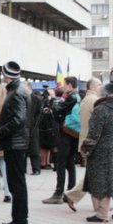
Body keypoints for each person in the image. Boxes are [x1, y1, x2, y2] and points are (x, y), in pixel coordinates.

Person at [80, 83, 113, 222]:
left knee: (103, 181)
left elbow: (94, 134)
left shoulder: (101, 109)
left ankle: (102, 214)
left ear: (105, 95)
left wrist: (86, 150)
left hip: (101, 150)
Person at [0, 61, 32, 224]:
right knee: (17, 183)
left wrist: (1, 131)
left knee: (16, 183)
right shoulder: (18, 90)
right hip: (17, 142)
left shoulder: (16, 92)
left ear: (6, 75)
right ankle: (18, 219)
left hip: (15, 143)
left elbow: (19, 119)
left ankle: (20, 221)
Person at [62, 77, 102, 211]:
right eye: (99, 84)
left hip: (86, 141)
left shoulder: (86, 100)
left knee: (93, 174)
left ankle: (99, 206)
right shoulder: (94, 101)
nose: (101, 87)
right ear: (92, 87)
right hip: (93, 143)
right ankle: (73, 196)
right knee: (94, 175)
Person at [42, 76, 79, 204]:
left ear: (69, 85)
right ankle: (71, 191)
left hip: (66, 134)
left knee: (61, 163)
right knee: (70, 162)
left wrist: (52, 101)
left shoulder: (71, 97)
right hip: (74, 134)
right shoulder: (77, 96)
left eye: (65, 84)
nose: (63, 86)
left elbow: (59, 112)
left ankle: (58, 193)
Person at [38, 88, 58, 169]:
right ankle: (43, 163)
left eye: (52, 93)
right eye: (50, 93)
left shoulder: (54, 102)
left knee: (49, 146)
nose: (51, 95)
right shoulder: (44, 102)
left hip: (51, 126)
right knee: (44, 146)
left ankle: (47, 162)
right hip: (44, 127)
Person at [26, 84, 42, 175]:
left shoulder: (37, 99)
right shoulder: (22, 98)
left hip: (33, 127)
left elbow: (39, 115)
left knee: (34, 149)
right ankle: (22, 168)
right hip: (24, 127)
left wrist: (34, 125)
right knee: (23, 149)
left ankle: (36, 168)